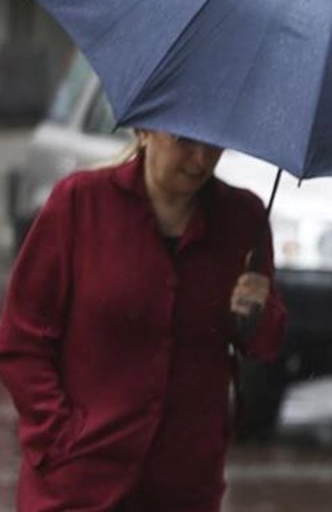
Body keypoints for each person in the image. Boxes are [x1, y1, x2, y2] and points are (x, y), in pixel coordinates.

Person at [0, 130, 287, 512]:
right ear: (144, 130)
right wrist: (59, 436)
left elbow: (265, 343)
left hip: (185, 482)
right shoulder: (79, 203)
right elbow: (22, 339)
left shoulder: (242, 219)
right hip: (78, 482)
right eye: (185, 141)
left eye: (214, 144)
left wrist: (259, 312)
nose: (200, 160)